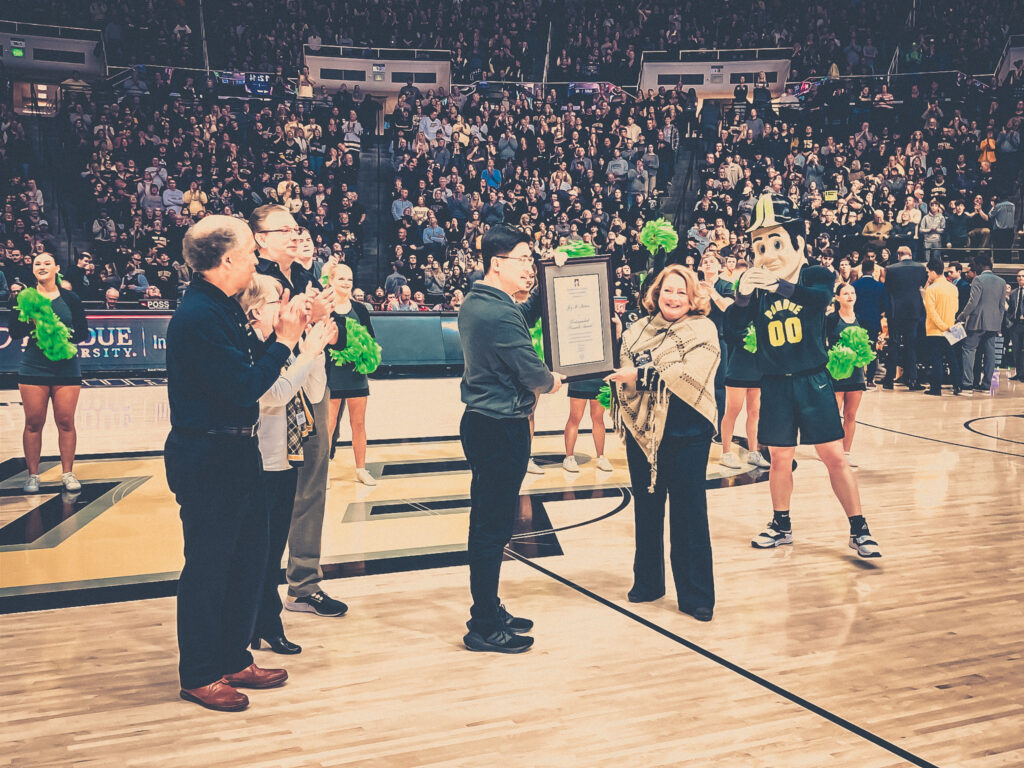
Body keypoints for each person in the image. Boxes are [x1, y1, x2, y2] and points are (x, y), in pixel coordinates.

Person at [165, 215, 307, 711]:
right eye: (249, 250)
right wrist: (285, 343)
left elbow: (246, 372)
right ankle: (200, 672)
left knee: (246, 561)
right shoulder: (199, 315)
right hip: (207, 456)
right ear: (225, 260)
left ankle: (232, 655)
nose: (255, 258)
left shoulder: (220, 308)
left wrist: (278, 339)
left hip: (234, 450)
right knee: (208, 567)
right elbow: (245, 387)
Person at [729, 195, 881, 559]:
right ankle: (781, 524)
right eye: (760, 245)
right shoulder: (756, 286)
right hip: (775, 382)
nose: (767, 251)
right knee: (780, 458)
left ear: (798, 242)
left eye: (776, 242)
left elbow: (814, 301)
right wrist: (744, 297)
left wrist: (775, 285)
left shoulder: (817, 274)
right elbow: (733, 329)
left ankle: (859, 529)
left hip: (812, 379)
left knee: (833, 456)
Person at [458, 225, 564, 653]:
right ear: (496, 263)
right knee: (491, 528)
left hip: (485, 422)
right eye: (524, 259)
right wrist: (554, 382)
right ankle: (483, 624)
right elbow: (534, 373)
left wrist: (551, 273)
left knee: (487, 522)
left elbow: (525, 317)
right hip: (501, 427)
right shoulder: (498, 311)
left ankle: (487, 606)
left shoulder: (482, 300)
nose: (529, 268)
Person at [607, 265, 720, 621]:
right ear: (656, 293)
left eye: (681, 293)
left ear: (692, 298)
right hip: (644, 432)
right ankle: (648, 583)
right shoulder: (637, 330)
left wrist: (639, 376)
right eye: (667, 291)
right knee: (647, 509)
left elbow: (687, 374)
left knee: (690, 515)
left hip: (688, 434)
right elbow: (623, 369)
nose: (673, 298)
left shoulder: (704, 329)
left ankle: (697, 596)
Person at [250, 204, 346, 618]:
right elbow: (257, 335)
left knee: (313, 486)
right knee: (271, 493)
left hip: (313, 385)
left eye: (296, 228)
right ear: (260, 239)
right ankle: (259, 590)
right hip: (272, 391)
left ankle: (304, 584)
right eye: (282, 229)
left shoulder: (305, 276)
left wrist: (329, 324)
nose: (294, 235)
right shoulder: (252, 280)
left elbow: (334, 340)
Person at [240, 275, 334, 656]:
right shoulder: (249, 347)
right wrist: (305, 351)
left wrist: (315, 347)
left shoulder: (287, 345)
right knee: (256, 551)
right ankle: (257, 622)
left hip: (284, 458)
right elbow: (274, 395)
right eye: (278, 300)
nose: (287, 307)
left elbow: (312, 392)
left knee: (273, 547)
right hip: (254, 461)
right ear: (257, 309)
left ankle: (265, 621)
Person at [10, 252, 90, 493]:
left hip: (66, 367)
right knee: (34, 422)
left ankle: (67, 473)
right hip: (34, 367)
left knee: (66, 422)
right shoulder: (25, 298)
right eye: (37, 263)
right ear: (33, 269)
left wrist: (57, 332)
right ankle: (33, 475)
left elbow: (84, 333)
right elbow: (14, 331)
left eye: (47, 263)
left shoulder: (71, 298)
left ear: (56, 268)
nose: (42, 266)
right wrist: (33, 323)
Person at [324, 261, 377, 486]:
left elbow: (372, 340)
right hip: (331, 373)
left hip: (356, 373)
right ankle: (323, 471)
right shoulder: (325, 308)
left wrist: (363, 350)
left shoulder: (361, 309)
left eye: (349, 279)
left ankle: (361, 469)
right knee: (329, 424)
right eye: (341, 278)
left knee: (359, 423)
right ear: (331, 281)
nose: (346, 282)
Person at [719, 308, 768, 470]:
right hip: (738, 369)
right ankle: (726, 452)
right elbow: (729, 336)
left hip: (758, 369)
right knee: (733, 410)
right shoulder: (734, 312)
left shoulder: (763, 310)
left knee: (755, 412)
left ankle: (753, 452)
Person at [826, 283, 867, 464]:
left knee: (850, 415)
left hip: (856, 373)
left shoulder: (861, 318)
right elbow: (822, 344)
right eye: (845, 293)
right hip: (836, 373)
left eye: (852, 293)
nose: (850, 296)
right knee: (834, 415)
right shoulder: (831, 319)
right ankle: (832, 452)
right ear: (837, 297)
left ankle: (846, 452)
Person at [957, 254, 1008, 392]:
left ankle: (967, 384)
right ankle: (986, 385)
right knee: (990, 354)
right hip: (993, 323)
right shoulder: (1001, 281)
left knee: (968, 350)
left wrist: (961, 316)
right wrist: (998, 323)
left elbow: (973, 302)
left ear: (980, 266)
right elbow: (1001, 306)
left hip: (976, 322)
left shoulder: (978, 279)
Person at [880, 246, 927, 391]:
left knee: (893, 344)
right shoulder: (920, 268)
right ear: (911, 255)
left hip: (895, 311)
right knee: (910, 345)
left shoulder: (891, 269)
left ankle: (889, 380)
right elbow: (922, 285)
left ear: (899, 255)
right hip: (913, 311)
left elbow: (887, 290)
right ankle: (912, 380)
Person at [923, 258, 963, 395]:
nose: (928, 275)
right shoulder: (953, 288)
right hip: (951, 328)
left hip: (936, 330)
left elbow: (932, 313)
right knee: (953, 359)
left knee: (937, 360)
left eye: (928, 272)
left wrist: (943, 326)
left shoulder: (931, 289)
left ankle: (936, 388)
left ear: (934, 272)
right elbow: (956, 308)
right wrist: (948, 325)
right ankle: (957, 386)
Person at [562, 376, 613, 473]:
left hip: (600, 380)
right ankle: (569, 458)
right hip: (578, 380)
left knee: (598, 419)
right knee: (575, 418)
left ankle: (601, 457)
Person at [1007, 270, 1024, 381]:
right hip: (1016, 324)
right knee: (1016, 350)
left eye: (1023, 276)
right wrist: (1009, 322)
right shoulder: (1013, 293)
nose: (1020, 278)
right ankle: (1019, 373)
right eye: (1018, 276)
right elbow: (1010, 310)